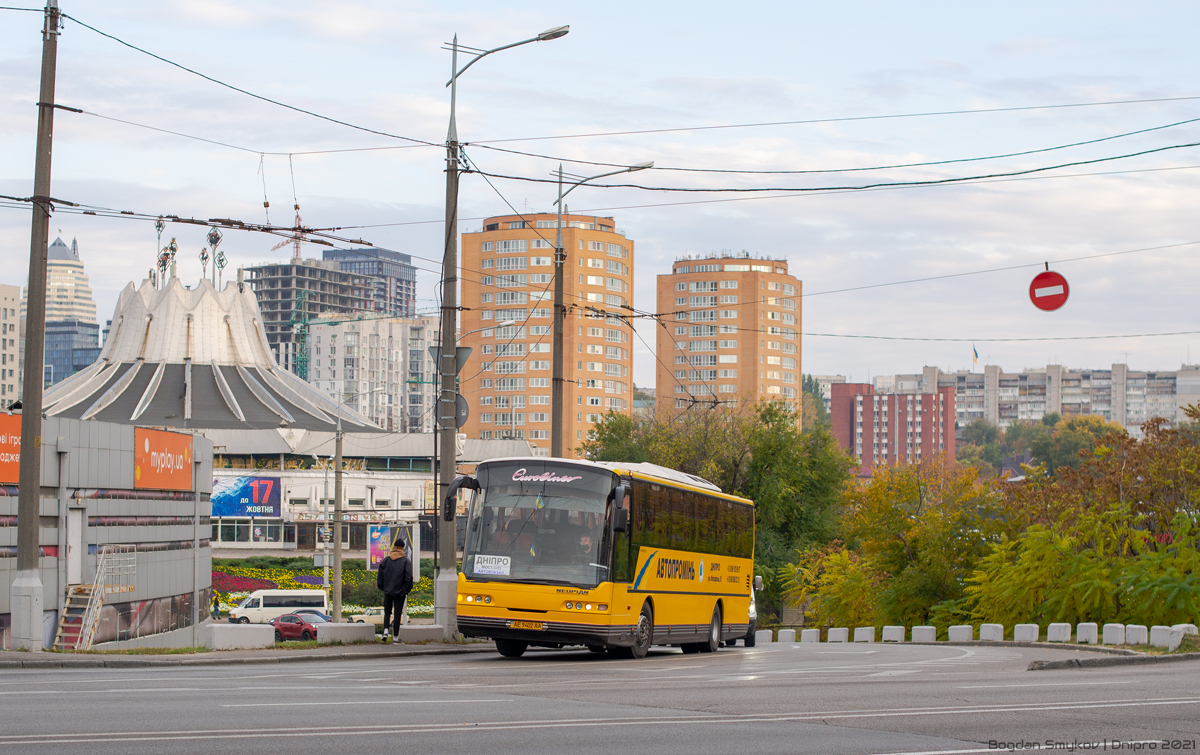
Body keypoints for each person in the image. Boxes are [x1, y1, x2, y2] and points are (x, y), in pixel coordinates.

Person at [375, 537, 414, 643]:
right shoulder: (406, 561)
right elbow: (408, 577)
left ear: (394, 547)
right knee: (397, 614)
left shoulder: (386, 560)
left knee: (387, 612)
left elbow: (380, 576)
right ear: (402, 548)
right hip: (400, 592)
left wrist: (382, 587)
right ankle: (396, 637)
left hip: (387, 591)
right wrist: (406, 589)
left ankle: (385, 632)